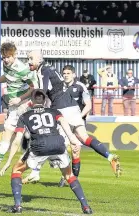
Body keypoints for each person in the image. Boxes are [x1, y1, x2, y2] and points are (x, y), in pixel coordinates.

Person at [18, 52, 121, 184]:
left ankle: (36, 172)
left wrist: (29, 105)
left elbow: (42, 92)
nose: (29, 61)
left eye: (31, 59)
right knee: (84, 138)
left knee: (49, 138)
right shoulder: (49, 68)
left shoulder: (43, 70)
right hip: (73, 107)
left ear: (39, 59)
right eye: (28, 59)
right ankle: (110, 156)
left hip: (61, 108)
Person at [0, 89, 93, 214]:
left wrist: (8, 161)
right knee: (69, 175)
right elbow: (66, 128)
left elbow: (17, 140)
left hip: (39, 146)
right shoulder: (55, 111)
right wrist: (73, 141)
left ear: (31, 102)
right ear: (44, 101)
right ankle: (86, 207)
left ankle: (18, 206)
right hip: (58, 145)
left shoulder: (24, 116)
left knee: (16, 170)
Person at [0, 42, 38, 174]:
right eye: (3, 57)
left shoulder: (23, 69)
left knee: (25, 136)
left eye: (8, 57)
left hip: (23, 106)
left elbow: (34, 88)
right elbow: (8, 77)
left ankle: (40, 167)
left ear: (14, 55)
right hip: (13, 107)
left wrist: (20, 99)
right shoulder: (6, 65)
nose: (5, 60)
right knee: (8, 135)